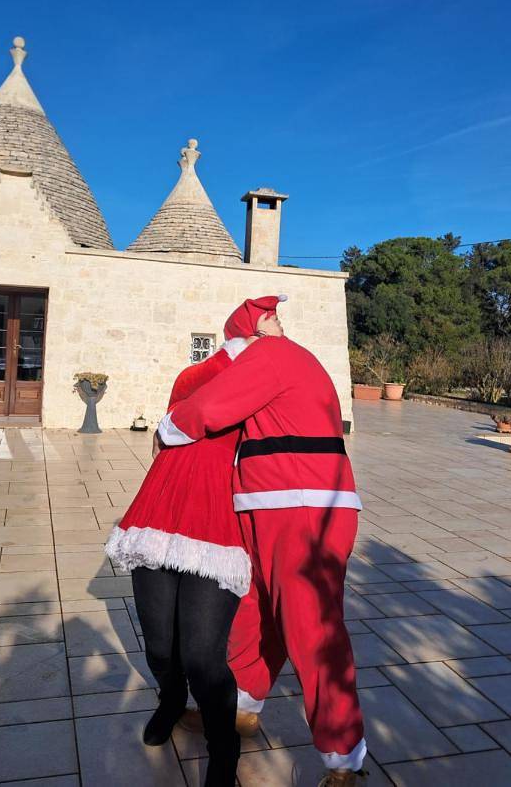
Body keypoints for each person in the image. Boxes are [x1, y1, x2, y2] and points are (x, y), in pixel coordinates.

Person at [157, 295, 367, 787]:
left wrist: (169, 428)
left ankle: (344, 758)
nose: (277, 320)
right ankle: (242, 709)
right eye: (268, 316)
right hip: (275, 503)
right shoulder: (280, 357)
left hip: (301, 507)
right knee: (255, 609)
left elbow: (208, 407)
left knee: (310, 625)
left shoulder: (270, 355)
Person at [105, 335, 251, 787]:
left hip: (219, 520)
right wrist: (232, 353)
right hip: (161, 509)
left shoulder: (268, 383)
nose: (277, 328)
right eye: (269, 320)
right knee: (159, 645)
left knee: (203, 655)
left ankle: (224, 751)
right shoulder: (196, 375)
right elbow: (181, 411)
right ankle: (171, 701)